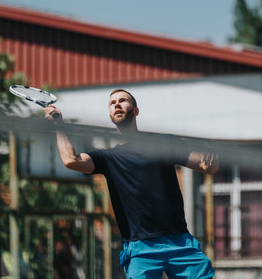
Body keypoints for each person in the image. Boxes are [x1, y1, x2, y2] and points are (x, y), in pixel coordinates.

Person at [44, 89, 218, 279]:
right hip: (140, 248)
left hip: (179, 241)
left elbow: (207, 165)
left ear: (135, 110)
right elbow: (71, 160)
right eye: (112, 103)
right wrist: (58, 124)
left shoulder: (164, 143)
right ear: (110, 114)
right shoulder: (108, 158)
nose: (116, 104)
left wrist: (210, 158)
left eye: (122, 101)